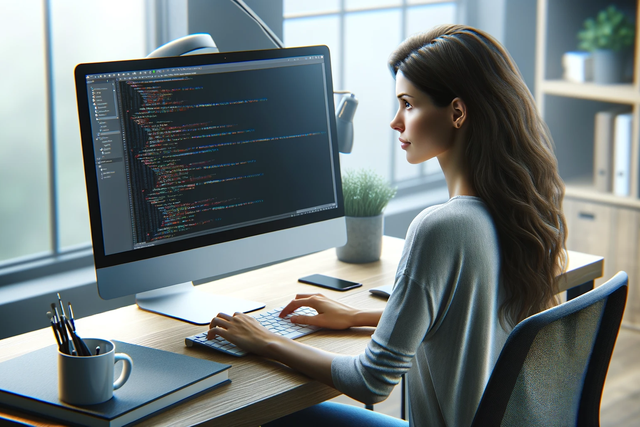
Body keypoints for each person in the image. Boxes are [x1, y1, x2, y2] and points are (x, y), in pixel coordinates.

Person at [206, 24, 567, 427]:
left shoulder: (442, 227)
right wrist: (358, 317)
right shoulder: (515, 209)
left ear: (458, 112)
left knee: (271, 418)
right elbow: (465, 320)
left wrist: (265, 340)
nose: (396, 122)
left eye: (408, 104)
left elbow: (371, 381)